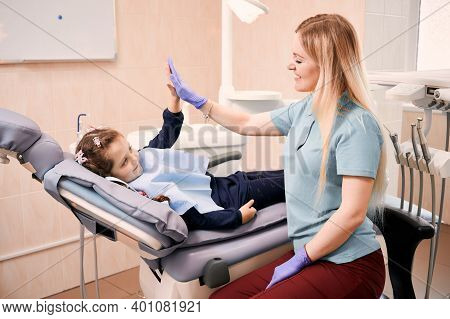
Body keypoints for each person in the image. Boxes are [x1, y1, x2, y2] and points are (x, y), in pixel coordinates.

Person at [168, 13, 387, 298]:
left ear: (326, 64)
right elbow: (248, 124)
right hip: (311, 254)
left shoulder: (356, 125)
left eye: (298, 59)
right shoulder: (307, 108)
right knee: (220, 300)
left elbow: (352, 214)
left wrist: (303, 257)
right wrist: (198, 101)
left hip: (349, 264)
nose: (290, 65)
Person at [74, 73, 285, 231]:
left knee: (287, 175)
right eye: (124, 162)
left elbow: (166, 136)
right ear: (110, 176)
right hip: (229, 201)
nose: (134, 158)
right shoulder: (148, 192)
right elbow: (196, 219)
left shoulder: (141, 158)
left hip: (227, 183)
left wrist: (175, 101)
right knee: (290, 183)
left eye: (130, 149)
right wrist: (236, 218)